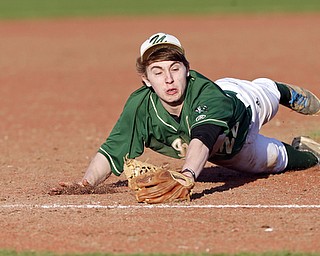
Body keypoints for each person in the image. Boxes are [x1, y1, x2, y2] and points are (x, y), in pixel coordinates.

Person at [50, 32, 320, 195]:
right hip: (234, 154)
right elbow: (112, 151)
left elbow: (202, 138)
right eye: (157, 71)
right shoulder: (140, 107)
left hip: (244, 107)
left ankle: (283, 91)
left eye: (175, 68)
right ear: (145, 79)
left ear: (187, 70)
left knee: (267, 93)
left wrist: (188, 175)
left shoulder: (206, 93)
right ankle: (308, 151)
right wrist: (84, 184)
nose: (168, 79)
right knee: (282, 161)